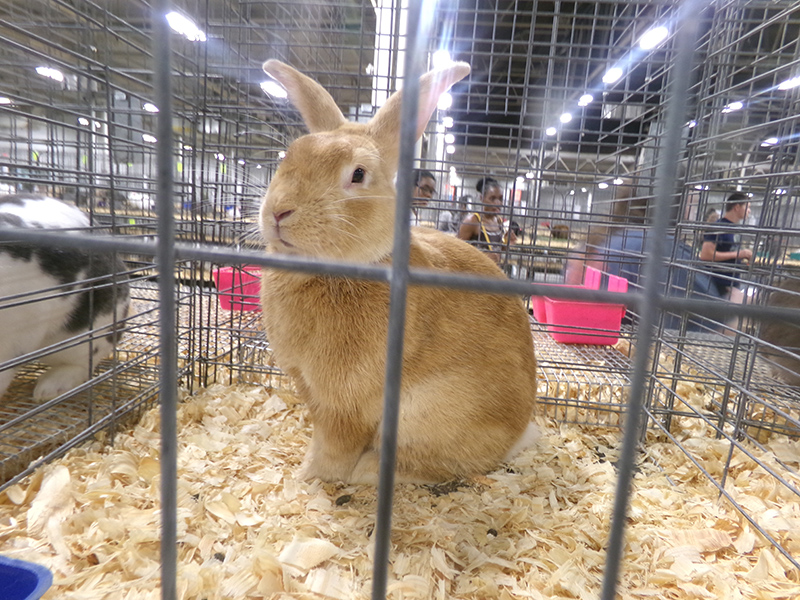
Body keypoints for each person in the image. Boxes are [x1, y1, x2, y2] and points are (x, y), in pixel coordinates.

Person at [700, 192, 752, 301]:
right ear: (737, 207)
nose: (749, 211)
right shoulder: (718, 227)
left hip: (730, 283)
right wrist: (739, 254)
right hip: (718, 285)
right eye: (747, 207)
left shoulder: (734, 229)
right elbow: (706, 255)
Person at [457, 177, 516, 265]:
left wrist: (507, 244)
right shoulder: (472, 221)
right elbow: (456, 252)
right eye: (492, 199)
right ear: (481, 198)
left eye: (500, 199)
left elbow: (496, 251)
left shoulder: (499, 221)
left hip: (492, 275)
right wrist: (481, 258)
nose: (498, 203)